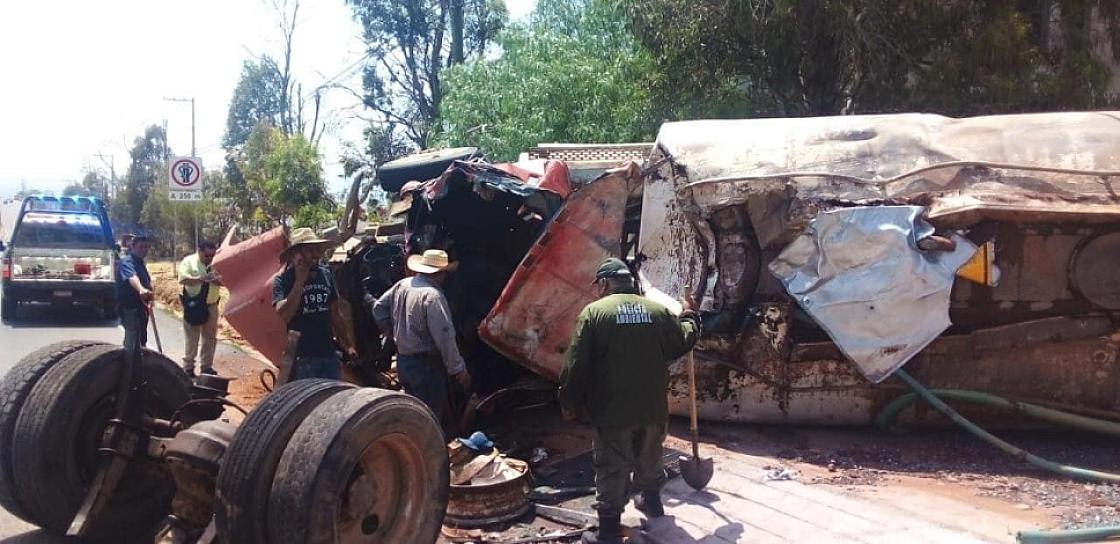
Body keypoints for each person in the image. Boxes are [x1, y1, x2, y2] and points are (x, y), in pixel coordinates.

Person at [559, 258, 701, 544]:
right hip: (652, 407)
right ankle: (653, 504)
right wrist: (690, 316)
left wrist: (569, 401)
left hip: (612, 411)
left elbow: (576, 364)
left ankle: (609, 531)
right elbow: (684, 340)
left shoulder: (594, 313)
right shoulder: (656, 311)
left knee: (612, 466)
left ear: (603, 284)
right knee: (650, 458)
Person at [372, 249, 472, 427]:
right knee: (429, 417)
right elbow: (444, 337)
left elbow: (378, 309)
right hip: (426, 367)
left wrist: (393, 332)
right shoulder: (433, 297)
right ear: (440, 274)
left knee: (414, 411)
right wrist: (458, 369)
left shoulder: (403, 285)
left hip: (404, 362)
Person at [272, 228, 358, 380]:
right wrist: (299, 281)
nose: (315, 254)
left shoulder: (325, 274)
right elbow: (284, 314)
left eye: (317, 249)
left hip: (328, 355)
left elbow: (335, 313)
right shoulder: (283, 281)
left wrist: (348, 344)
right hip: (303, 358)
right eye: (309, 250)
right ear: (295, 254)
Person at [178, 240, 222, 377]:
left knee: (210, 338)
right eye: (207, 255)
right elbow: (183, 279)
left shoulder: (217, 263)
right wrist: (202, 279)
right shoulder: (188, 261)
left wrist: (217, 281)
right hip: (194, 306)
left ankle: (206, 367)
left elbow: (227, 281)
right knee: (192, 338)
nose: (210, 258)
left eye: (212, 255)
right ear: (199, 251)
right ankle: (188, 367)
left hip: (211, 305)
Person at [116, 234, 155, 351]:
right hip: (130, 308)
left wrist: (151, 291)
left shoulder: (140, 262)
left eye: (146, 247)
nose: (144, 250)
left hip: (141, 307)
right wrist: (141, 289)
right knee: (132, 342)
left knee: (142, 339)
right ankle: (128, 367)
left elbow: (147, 280)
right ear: (132, 247)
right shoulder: (127, 262)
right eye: (141, 247)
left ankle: (139, 366)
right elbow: (132, 278)